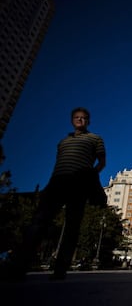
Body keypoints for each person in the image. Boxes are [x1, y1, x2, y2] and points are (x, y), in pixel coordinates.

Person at [8, 107, 106, 281]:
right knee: (39, 222)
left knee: (72, 226)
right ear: (72, 120)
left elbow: (102, 162)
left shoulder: (95, 138)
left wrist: (90, 174)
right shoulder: (63, 142)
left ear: (88, 120)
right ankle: (19, 266)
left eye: (84, 118)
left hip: (78, 183)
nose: (80, 120)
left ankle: (60, 269)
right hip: (56, 182)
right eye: (77, 118)